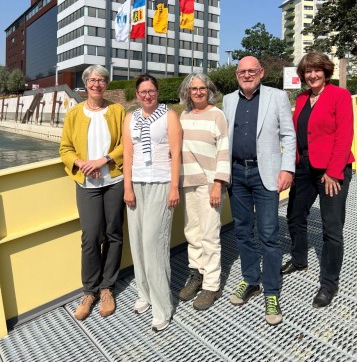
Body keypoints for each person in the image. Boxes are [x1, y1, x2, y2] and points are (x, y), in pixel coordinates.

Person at [222, 56, 296, 326]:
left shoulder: (277, 97)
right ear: (236, 75)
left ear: (261, 73)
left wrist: (287, 169)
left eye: (252, 70)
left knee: (268, 234)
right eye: (242, 71)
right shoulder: (229, 101)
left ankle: (272, 292)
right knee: (242, 230)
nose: (247, 74)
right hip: (237, 174)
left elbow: (288, 135)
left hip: (266, 173)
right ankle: (251, 279)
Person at [281, 52, 355, 308]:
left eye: (317, 70)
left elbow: (345, 135)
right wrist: (289, 167)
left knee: (331, 228)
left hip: (332, 170)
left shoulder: (340, 96)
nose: (312, 75)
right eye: (307, 71)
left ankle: (329, 284)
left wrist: (334, 172)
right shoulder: (302, 98)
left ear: (326, 72)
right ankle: (300, 258)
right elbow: (295, 133)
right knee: (295, 215)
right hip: (304, 167)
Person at [60, 65, 125, 321]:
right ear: (86, 84)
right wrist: (82, 163)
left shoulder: (117, 111)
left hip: (114, 180)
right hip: (86, 184)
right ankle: (90, 291)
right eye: (92, 80)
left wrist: (103, 160)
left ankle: (108, 288)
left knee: (114, 233)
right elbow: (65, 148)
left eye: (101, 80)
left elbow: (125, 144)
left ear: (106, 85)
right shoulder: (74, 113)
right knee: (90, 236)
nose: (97, 84)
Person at [123, 74, 182, 333]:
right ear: (137, 94)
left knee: (153, 244)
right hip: (136, 184)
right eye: (142, 91)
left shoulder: (169, 116)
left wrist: (174, 187)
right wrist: (127, 187)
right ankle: (145, 294)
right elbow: (127, 153)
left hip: (160, 183)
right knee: (136, 242)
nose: (147, 95)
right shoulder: (130, 118)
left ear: (157, 92)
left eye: (151, 90)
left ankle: (162, 307)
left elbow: (176, 154)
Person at [178, 73, 230, 310]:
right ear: (187, 92)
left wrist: (218, 183)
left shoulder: (217, 115)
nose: (198, 92)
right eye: (193, 88)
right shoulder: (184, 115)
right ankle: (196, 275)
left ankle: (211, 285)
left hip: (210, 183)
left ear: (209, 90)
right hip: (189, 181)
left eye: (202, 88)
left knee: (209, 234)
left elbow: (223, 151)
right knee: (192, 232)